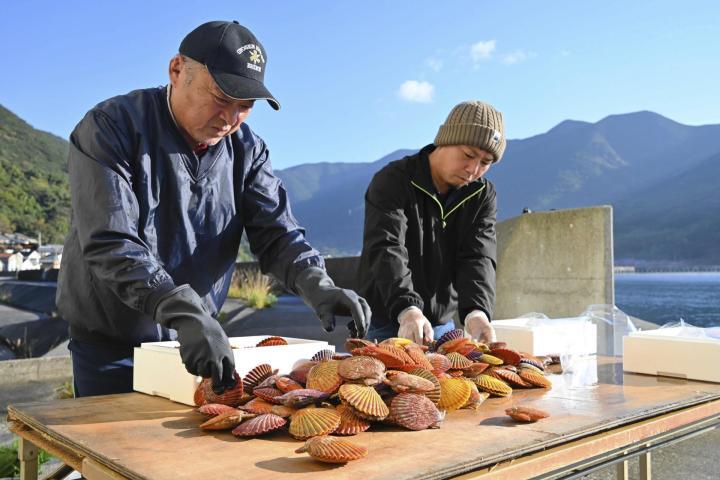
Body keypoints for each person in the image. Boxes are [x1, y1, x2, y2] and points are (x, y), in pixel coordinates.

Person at [57, 20, 371, 398]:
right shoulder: (112, 128)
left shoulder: (247, 151)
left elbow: (277, 233)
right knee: (109, 454)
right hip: (111, 345)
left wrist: (316, 283)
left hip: (196, 344)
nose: (230, 118)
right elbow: (111, 240)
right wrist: (182, 311)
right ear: (177, 70)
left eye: (245, 106)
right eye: (222, 97)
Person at [357, 101, 505, 345]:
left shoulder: (482, 194)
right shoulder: (393, 179)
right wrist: (407, 308)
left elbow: (478, 256)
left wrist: (477, 311)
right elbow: (387, 247)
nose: (473, 169)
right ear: (445, 139)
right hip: (386, 320)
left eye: (486, 162)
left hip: (441, 323)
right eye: (468, 155)